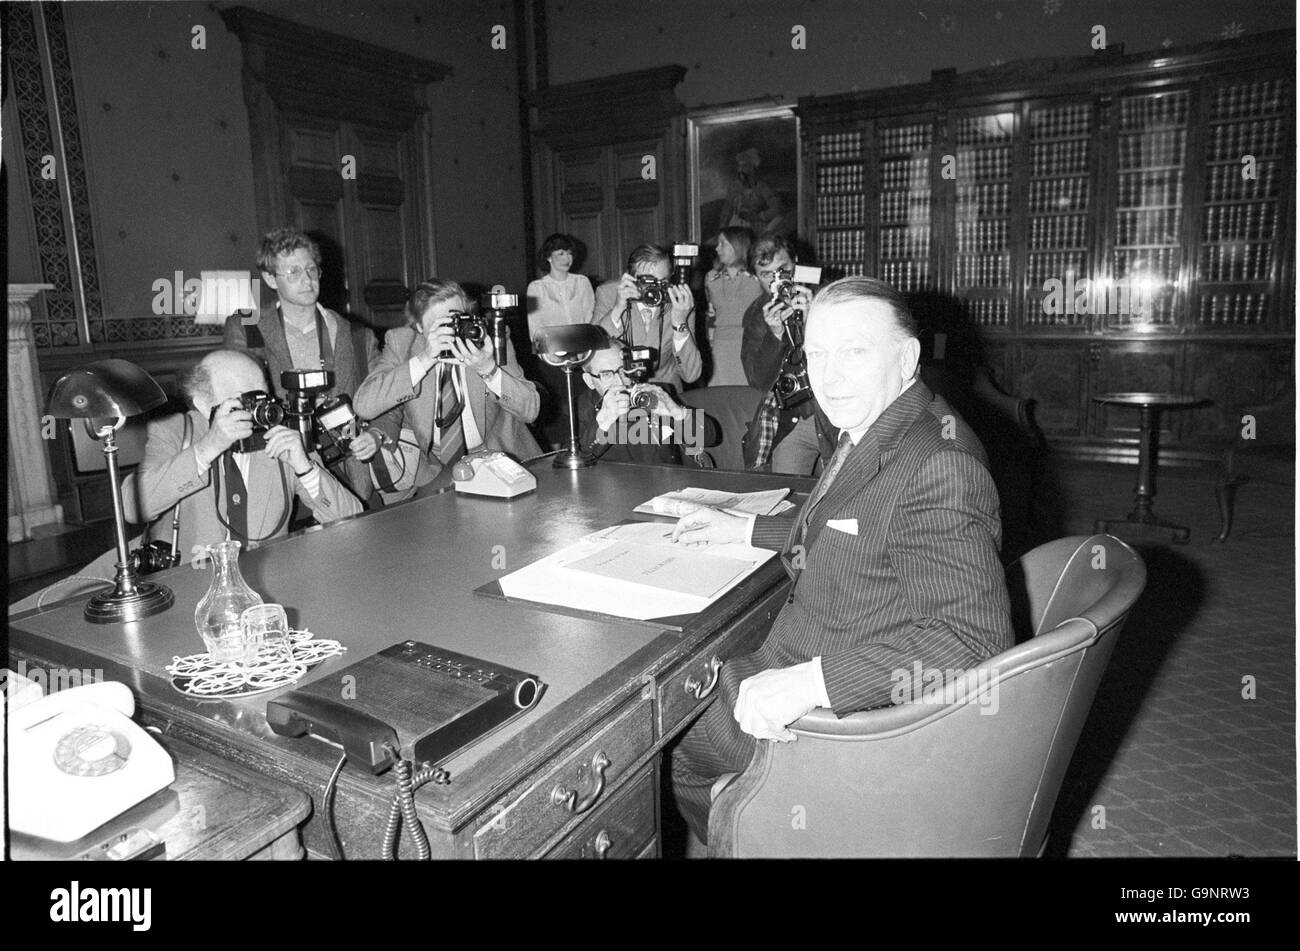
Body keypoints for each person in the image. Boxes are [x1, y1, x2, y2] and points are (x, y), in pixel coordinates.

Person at [665, 276, 1014, 845]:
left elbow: (975, 640)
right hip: (819, 646)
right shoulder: (884, 421)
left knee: (663, 745)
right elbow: (857, 524)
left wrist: (810, 683)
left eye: (854, 351)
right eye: (817, 355)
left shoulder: (938, 463)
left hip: (843, 720)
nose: (829, 376)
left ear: (907, 358)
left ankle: (761, 828)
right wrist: (747, 526)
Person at [224, 227, 381, 504]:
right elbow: (238, 401)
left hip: (350, 467)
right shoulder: (247, 329)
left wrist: (377, 435)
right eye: (293, 272)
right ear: (270, 279)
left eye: (311, 269)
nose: (307, 280)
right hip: (280, 468)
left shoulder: (357, 335)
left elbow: (384, 397)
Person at [354, 278, 541, 498]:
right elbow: (364, 405)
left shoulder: (491, 338)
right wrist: (424, 360)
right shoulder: (401, 343)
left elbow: (531, 409)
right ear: (419, 327)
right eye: (440, 326)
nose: (451, 331)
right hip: (435, 468)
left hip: (498, 458)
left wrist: (487, 368)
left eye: (456, 319)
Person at [739, 234, 838, 474]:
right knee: (785, 494)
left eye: (783, 269)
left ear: (796, 262)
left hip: (836, 413)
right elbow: (758, 380)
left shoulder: (830, 297)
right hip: (791, 418)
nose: (778, 280)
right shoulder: (757, 314)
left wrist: (813, 319)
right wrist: (774, 335)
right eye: (766, 274)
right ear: (754, 277)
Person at [592, 245, 702, 395]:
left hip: (665, 392)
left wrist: (679, 323)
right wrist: (617, 309)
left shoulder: (680, 302)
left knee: (695, 418)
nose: (653, 290)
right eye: (646, 282)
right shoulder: (609, 294)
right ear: (629, 278)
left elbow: (691, 374)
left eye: (661, 282)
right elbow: (592, 351)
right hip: (619, 390)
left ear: (670, 279)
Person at [576, 338, 694, 465]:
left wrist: (678, 414)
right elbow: (575, 462)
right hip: (613, 483)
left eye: (623, 370)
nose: (619, 381)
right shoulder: (579, 408)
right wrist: (603, 424)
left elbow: (710, 436)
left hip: (665, 480)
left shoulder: (656, 393)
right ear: (589, 381)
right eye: (606, 375)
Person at [526, 233, 596, 447]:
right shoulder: (536, 288)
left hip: (581, 357)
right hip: (551, 359)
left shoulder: (582, 282)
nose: (567, 258)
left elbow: (590, 319)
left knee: (583, 405)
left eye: (569, 253)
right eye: (561, 253)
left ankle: (586, 444)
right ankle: (557, 451)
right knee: (558, 411)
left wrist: (584, 353)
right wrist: (553, 355)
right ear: (549, 257)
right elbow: (535, 329)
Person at [703, 227, 762, 386]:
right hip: (720, 345)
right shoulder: (711, 278)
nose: (717, 248)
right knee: (719, 392)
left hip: (750, 343)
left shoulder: (758, 278)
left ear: (738, 245)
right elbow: (710, 315)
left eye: (723, 243)